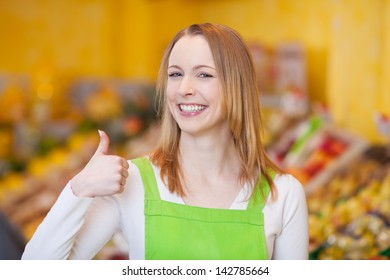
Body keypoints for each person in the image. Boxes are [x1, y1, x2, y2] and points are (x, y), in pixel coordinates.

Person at [22, 23, 308, 260]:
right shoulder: (131, 181)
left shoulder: (283, 195)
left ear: (238, 86)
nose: (184, 89)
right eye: (175, 75)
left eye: (204, 75)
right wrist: (79, 189)